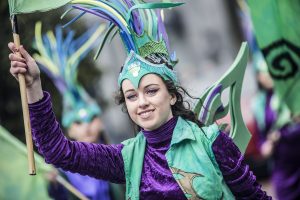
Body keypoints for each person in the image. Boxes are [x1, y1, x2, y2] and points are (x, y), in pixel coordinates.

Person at [8, 1, 271, 199]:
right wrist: (33, 85)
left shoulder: (212, 143)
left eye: (151, 91)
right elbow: (57, 151)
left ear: (172, 95)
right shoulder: (127, 158)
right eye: (132, 96)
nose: (141, 102)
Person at [32, 22, 124, 200]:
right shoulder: (62, 174)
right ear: (69, 130)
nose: (87, 127)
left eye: (92, 118)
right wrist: (55, 186)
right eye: (78, 122)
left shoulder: (122, 155)